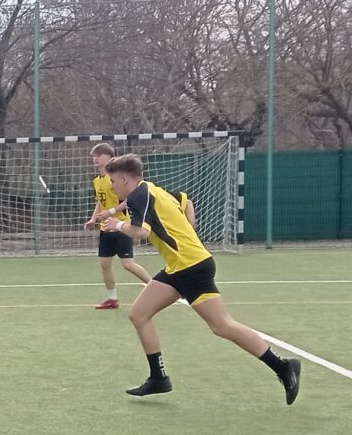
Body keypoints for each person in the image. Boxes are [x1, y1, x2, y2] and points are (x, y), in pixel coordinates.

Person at [99, 155, 299, 404]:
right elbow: (184, 203)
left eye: (113, 181)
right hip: (179, 267)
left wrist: (118, 225)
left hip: (191, 267)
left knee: (222, 326)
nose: (112, 186)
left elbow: (141, 233)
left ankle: (283, 366)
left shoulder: (139, 195)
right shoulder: (152, 190)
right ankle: (158, 378)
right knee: (139, 314)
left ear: (124, 178)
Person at [83, 142, 153, 310]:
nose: (95, 158)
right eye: (94, 156)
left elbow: (130, 200)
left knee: (128, 264)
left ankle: (156, 286)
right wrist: (93, 219)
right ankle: (112, 299)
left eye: (99, 155)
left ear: (110, 157)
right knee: (105, 264)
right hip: (105, 228)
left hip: (121, 226)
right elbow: (100, 201)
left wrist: (112, 211)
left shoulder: (115, 179)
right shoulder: (97, 181)